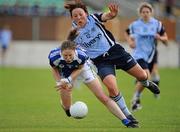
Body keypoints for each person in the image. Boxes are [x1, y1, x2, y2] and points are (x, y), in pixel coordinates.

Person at [64, 0, 160, 122]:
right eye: (75, 16)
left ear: (86, 14)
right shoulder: (73, 32)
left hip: (116, 52)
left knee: (142, 75)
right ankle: (128, 116)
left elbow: (107, 16)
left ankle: (147, 83)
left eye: (80, 14)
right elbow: (68, 48)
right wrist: (70, 42)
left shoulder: (94, 18)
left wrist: (112, 14)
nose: (78, 17)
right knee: (112, 89)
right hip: (101, 61)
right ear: (72, 18)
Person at [48, 40, 138, 128]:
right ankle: (67, 108)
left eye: (70, 55)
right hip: (65, 71)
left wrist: (69, 80)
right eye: (65, 55)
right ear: (61, 53)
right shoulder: (54, 56)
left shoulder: (81, 55)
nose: (68, 58)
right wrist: (60, 82)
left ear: (74, 51)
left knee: (102, 96)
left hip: (83, 70)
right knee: (67, 107)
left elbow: (79, 69)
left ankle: (126, 121)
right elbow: (54, 68)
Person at [125, 2, 168, 111]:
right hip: (139, 55)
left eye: (147, 12)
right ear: (140, 13)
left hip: (152, 55)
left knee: (151, 75)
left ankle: (137, 99)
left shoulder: (157, 24)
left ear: (151, 13)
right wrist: (130, 41)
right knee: (146, 76)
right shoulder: (135, 25)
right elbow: (127, 32)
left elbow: (165, 39)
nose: (145, 14)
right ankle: (135, 99)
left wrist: (160, 38)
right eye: (143, 12)